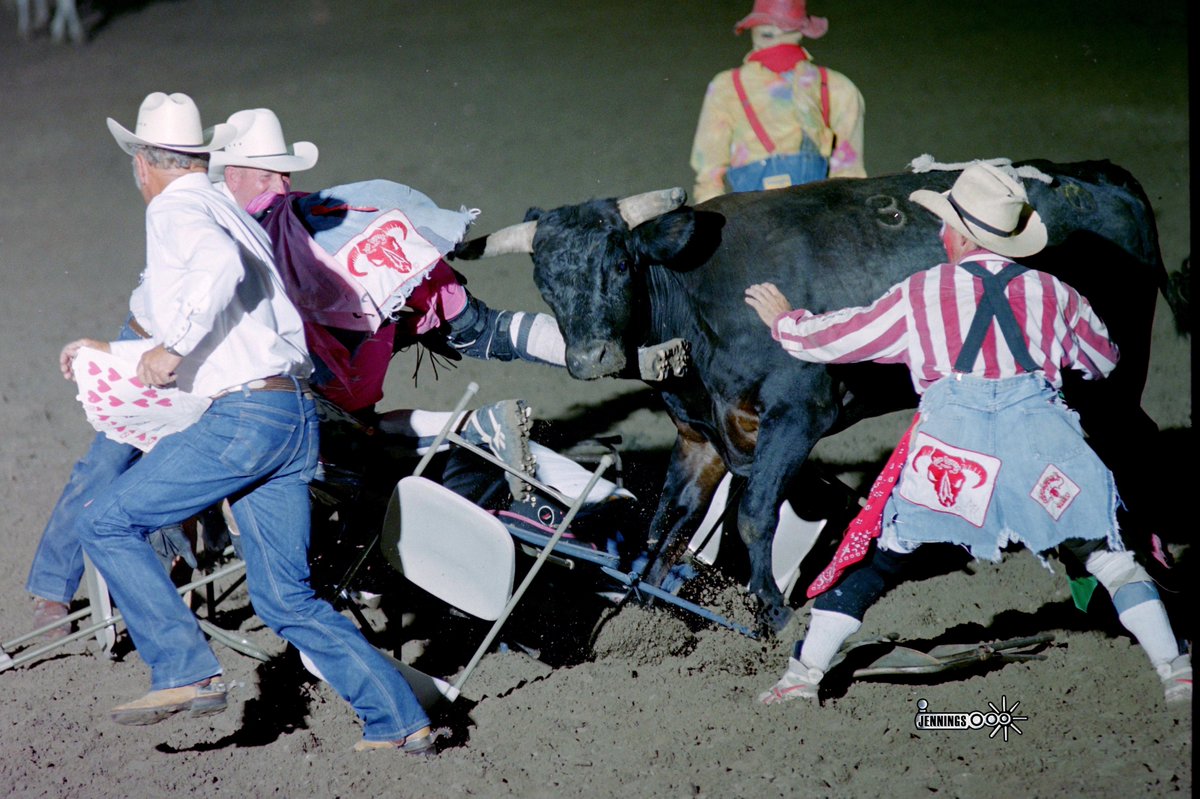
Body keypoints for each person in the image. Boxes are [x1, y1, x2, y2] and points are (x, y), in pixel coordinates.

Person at [66, 92, 435, 753]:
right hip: (292, 415)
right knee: (286, 597)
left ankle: (184, 668)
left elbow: (213, 279)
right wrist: (118, 352)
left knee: (105, 521)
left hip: (244, 417)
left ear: (142, 163)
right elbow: (232, 325)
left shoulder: (174, 210)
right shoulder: (225, 211)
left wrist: (171, 349)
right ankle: (399, 718)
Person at [744, 162, 1192, 706]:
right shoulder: (1057, 293)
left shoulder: (922, 292)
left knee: (880, 559)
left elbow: (838, 340)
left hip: (953, 453)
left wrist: (785, 321)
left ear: (956, 234)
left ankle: (801, 678)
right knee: (1110, 558)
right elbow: (1103, 360)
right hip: (1042, 443)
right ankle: (1176, 670)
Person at [689, 0, 865, 204]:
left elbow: (849, 175)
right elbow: (709, 173)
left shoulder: (834, 86)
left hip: (813, 210)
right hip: (756, 212)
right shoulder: (727, 86)